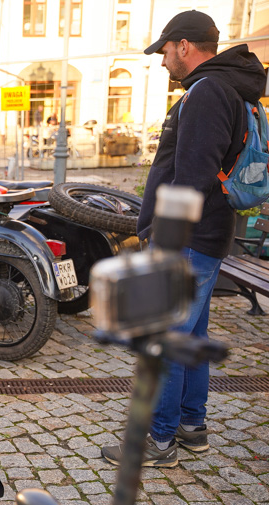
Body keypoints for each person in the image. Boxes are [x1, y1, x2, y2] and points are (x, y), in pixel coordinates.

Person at [101, 11, 266, 467]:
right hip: (206, 238)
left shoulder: (208, 91)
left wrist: (162, 239)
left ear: (185, 46)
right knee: (190, 335)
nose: (162, 61)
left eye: (165, 51)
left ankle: (158, 442)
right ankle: (193, 427)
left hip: (189, 240)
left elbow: (192, 175)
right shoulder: (224, 87)